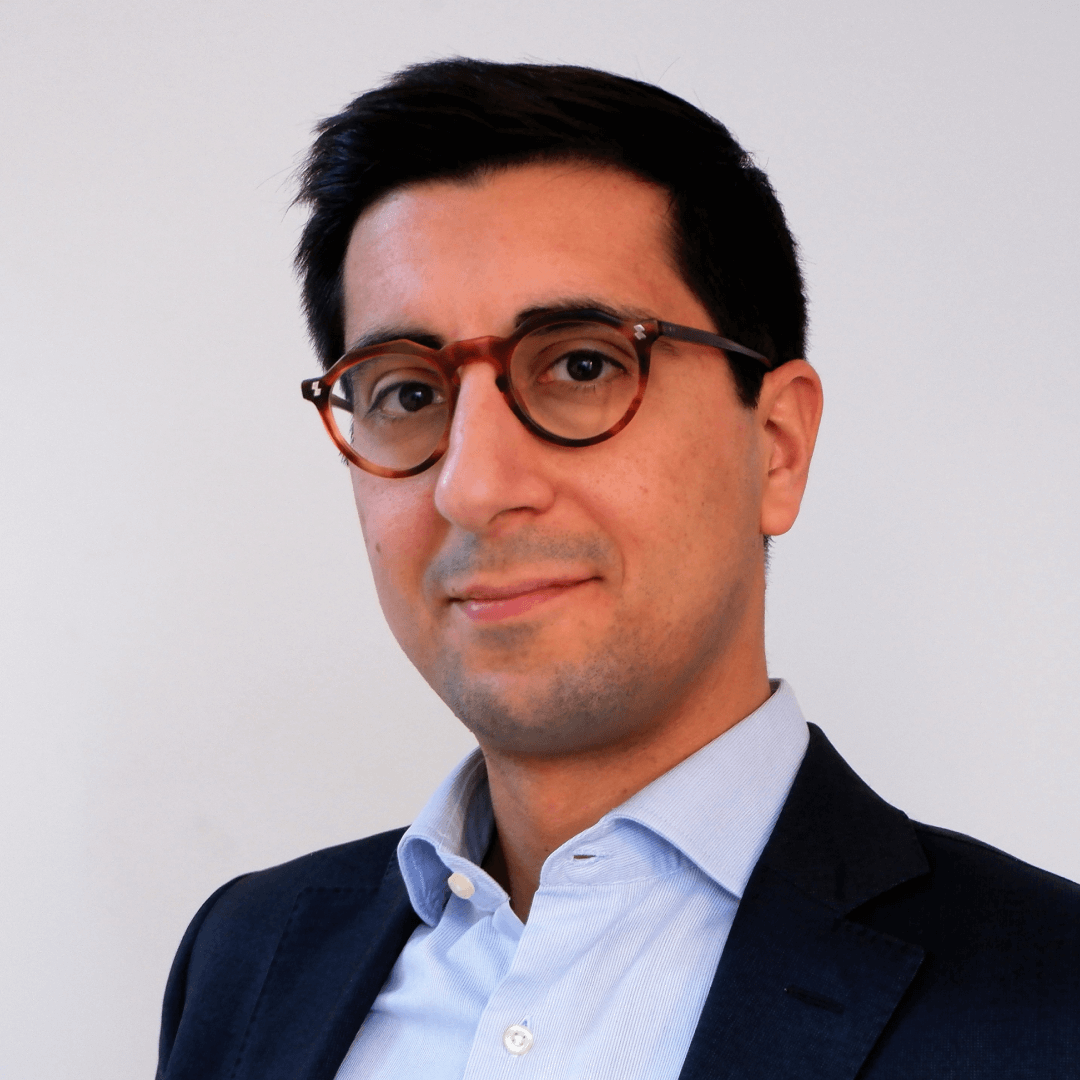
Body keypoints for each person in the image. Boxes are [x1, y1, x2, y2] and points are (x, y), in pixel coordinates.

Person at [156, 60, 1080, 1080]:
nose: (472, 486)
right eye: (408, 393)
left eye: (582, 365)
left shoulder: (1051, 997)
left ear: (776, 447)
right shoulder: (247, 958)